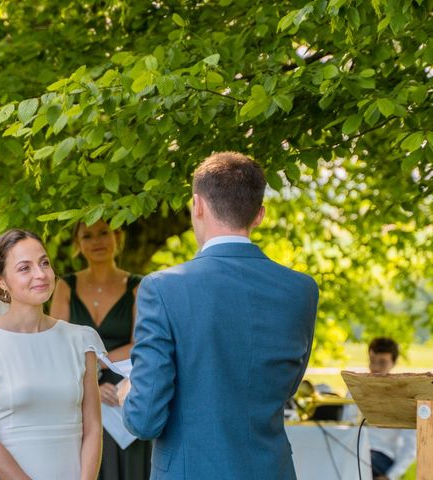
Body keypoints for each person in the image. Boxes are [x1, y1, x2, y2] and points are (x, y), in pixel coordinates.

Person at [121, 151, 319, 479]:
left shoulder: (162, 288)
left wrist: (129, 391)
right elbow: (287, 384)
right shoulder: (300, 290)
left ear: (197, 205)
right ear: (259, 214)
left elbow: (144, 420)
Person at [0, 229, 105, 479]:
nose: (40, 274)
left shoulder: (81, 340)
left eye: (44, 263)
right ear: (1, 281)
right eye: (25, 268)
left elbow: (93, 426)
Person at [50, 220, 152, 480]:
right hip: (77, 386)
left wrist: (96, 365)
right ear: (78, 244)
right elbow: (56, 344)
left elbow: (139, 343)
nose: (97, 241)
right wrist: (89, 380)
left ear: (117, 237)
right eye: (88, 236)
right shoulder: (65, 286)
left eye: (104, 233)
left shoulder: (138, 285)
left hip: (123, 387)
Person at [344, 337, 416, 480]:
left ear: (394, 363)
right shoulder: (354, 390)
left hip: (382, 455)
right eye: (372, 360)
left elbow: (411, 446)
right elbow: (346, 427)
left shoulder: (403, 396)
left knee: (357, 465)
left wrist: (390, 476)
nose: (375, 367)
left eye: (382, 362)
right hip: (353, 450)